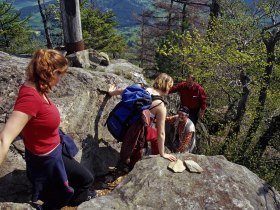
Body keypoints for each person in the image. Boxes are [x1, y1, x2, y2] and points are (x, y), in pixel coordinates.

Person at [0, 49, 94, 209]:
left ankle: (71, 201)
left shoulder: (35, 88)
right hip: (47, 159)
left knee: (84, 179)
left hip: (55, 150)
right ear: (50, 72)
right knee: (68, 191)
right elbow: (4, 138)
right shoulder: (30, 98)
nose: (60, 79)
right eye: (60, 74)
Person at [108, 73, 177, 169]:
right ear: (167, 86)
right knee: (153, 135)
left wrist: (111, 92)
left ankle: (128, 163)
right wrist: (163, 153)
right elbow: (161, 133)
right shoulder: (160, 105)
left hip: (123, 125)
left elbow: (123, 91)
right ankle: (141, 164)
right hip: (136, 133)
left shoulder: (143, 88)